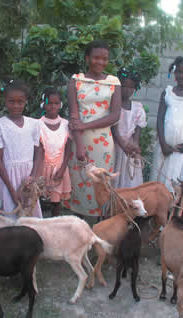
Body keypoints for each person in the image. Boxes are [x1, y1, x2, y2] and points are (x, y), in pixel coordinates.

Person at [66, 40, 122, 217]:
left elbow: (115, 116)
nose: (100, 62)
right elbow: (74, 116)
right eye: (96, 58)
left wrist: (86, 125)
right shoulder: (76, 81)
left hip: (103, 144)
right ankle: (77, 226)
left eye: (105, 59)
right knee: (79, 182)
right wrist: (80, 145)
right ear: (87, 58)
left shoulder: (114, 82)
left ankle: (100, 224)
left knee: (101, 183)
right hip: (80, 140)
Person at [0, 80, 42, 219]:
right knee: (9, 216)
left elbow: (38, 152)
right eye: (11, 101)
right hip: (9, 180)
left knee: (30, 216)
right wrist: (12, 191)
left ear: (25, 102)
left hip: (28, 179)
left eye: (20, 101)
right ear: (5, 101)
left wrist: (33, 177)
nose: (16, 105)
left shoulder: (34, 124)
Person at [150, 56, 183, 193]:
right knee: (163, 185)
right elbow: (160, 119)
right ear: (174, 72)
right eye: (179, 72)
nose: (182, 75)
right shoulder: (167, 93)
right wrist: (163, 143)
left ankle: (179, 213)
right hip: (166, 150)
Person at [38, 87, 72, 217]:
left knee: (56, 202)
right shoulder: (38, 124)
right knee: (39, 198)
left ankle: (55, 224)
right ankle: (39, 224)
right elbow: (38, 149)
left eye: (56, 103)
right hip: (42, 168)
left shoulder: (65, 124)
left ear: (61, 105)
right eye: (49, 103)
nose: (53, 106)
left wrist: (63, 169)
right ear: (43, 104)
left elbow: (69, 148)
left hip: (60, 168)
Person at [111, 67, 147, 188]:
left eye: (131, 87)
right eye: (124, 86)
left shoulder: (137, 107)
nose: (127, 90)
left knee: (129, 176)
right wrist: (121, 143)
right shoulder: (113, 105)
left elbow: (138, 129)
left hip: (129, 147)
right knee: (115, 172)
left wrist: (135, 144)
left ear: (135, 88)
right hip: (115, 145)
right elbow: (113, 127)